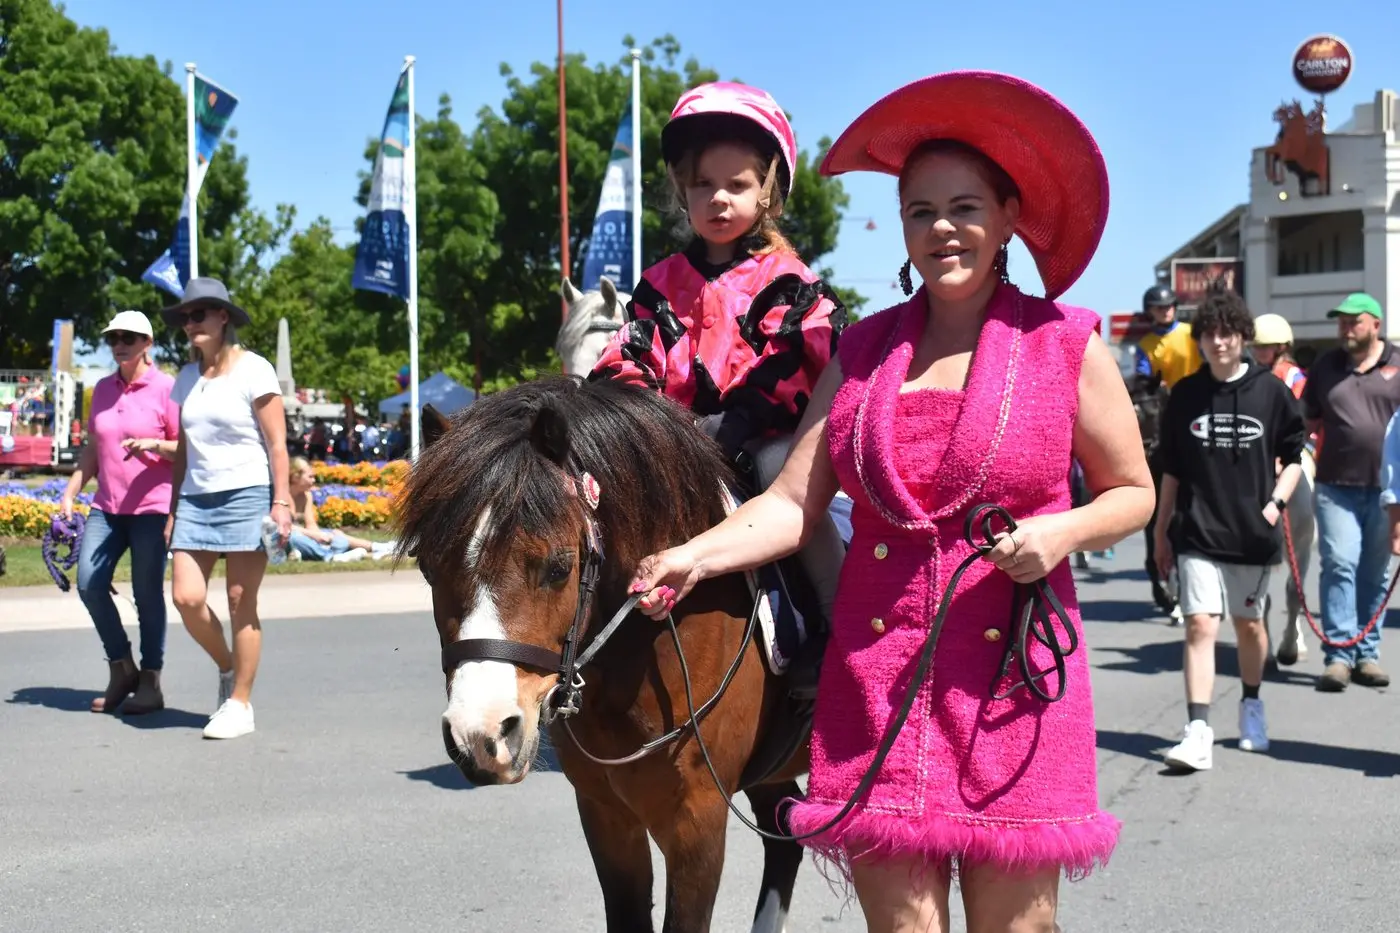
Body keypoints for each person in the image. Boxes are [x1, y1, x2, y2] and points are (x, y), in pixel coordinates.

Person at [627, 71, 1153, 933]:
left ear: (1009, 217)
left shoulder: (1066, 343)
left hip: (1012, 684)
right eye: (920, 211)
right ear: (902, 226)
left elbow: (1133, 492)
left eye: (966, 207)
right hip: (878, 679)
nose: (943, 229)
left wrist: (1062, 530)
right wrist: (692, 554)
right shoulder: (865, 348)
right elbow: (795, 499)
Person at [588, 80, 849, 620]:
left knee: (782, 471)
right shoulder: (659, 285)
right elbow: (627, 359)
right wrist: (649, 425)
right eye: (703, 184)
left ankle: (833, 617)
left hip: (761, 437)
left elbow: (800, 361)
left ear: (767, 193)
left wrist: (732, 424)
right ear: (683, 190)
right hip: (672, 442)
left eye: (737, 184)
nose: (718, 198)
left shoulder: (790, 282)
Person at [1154, 294, 1306, 771]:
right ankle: (1197, 729)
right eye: (1209, 333)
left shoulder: (1271, 392)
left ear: (1242, 336)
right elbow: (1172, 470)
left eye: (1227, 333)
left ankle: (1251, 706)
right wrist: (1161, 531)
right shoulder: (1185, 396)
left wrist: (1274, 505)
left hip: (1252, 532)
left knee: (1250, 627)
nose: (1218, 342)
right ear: (1199, 338)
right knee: (1200, 623)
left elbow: (1295, 458)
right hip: (1197, 529)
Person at [164, 277, 293, 740]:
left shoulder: (254, 369)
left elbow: (278, 443)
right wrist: (175, 507)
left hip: (247, 493)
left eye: (198, 314)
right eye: (184, 317)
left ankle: (240, 703)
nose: (190, 323)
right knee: (186, 597)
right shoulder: (185, 377)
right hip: (196, 499)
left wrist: (282, 500)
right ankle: (226, 666)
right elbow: (184, 450)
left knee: (241, 600)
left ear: (223, 317)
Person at [60, 310, 180, 715]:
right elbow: (94, 448)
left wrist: (154, 445)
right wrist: (71, 491)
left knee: (147, 595)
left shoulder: (168, 388)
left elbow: (188, 448)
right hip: (107, 507)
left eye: (128, 337)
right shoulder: (103, 389)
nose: (119, 344)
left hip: (153, 508)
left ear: (147, 343)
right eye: (113, 338)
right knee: (90, 584)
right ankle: (121, 667)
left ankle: (151, 679)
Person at [1301, 293, 1400, 691]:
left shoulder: (1398, 362)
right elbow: (1306, 421)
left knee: (1374, 573)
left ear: (1375, 323)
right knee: (1340, 562)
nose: (1345, 328)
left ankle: (1367, 653)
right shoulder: (1326, 366)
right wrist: (1286, 458)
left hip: (1386, 490)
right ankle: (1339, 654)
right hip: (1334, 484)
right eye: (1340, 321)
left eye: (1353, 320)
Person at [1132, 284, 1201, 623]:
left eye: (1170, 306)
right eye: (1160, 308)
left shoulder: (1191, 334)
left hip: (1197, 409)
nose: (1166, 311)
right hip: (1162, 417)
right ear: (1151, 312)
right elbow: (1144, 383)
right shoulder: (1144, 346)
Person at [1250, 313, 1316, 666]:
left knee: (1304, 514)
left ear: (1281, 347)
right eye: (1257, 346)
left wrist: (1290, 453)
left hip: (1292, 458)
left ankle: (1293, 626)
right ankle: (1260, 634)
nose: (1260, 353)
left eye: (1266, 347)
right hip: (1256, 460)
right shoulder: (1246, 377)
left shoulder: (1296, 378)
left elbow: (1305, 423)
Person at [286, 456, 395, 562]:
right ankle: (330, 556)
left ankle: (376, 547)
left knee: (337, 536)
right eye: (310, 477)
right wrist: (314, 535)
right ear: (296, 477)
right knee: (293, 538)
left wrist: (320, 536)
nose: (314, 480)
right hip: (289, 535)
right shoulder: (282, 495)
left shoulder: (306, 495)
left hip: (306, 535)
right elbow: (286, 528)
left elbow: (311, 524)